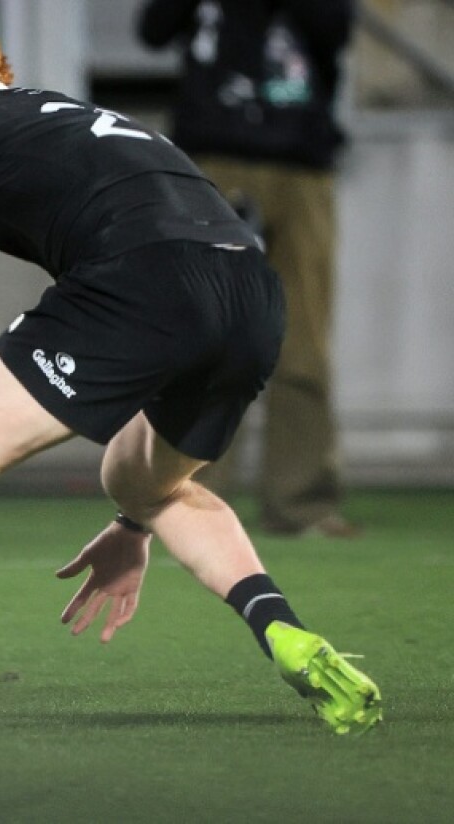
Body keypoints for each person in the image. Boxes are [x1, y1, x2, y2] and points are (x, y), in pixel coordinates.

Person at [0, 0, 381, 741]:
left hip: (146, 281)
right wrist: (133, 524)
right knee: (141, 479)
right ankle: (286, 632)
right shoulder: (65, 111)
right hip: (250, 291)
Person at [137, 0, 358, 537]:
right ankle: (186, 498)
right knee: (207, 333)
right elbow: (154, 29)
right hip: (214, 156)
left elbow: (335, 29)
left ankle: (302, 503)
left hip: (301, 165)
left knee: (303, 338)